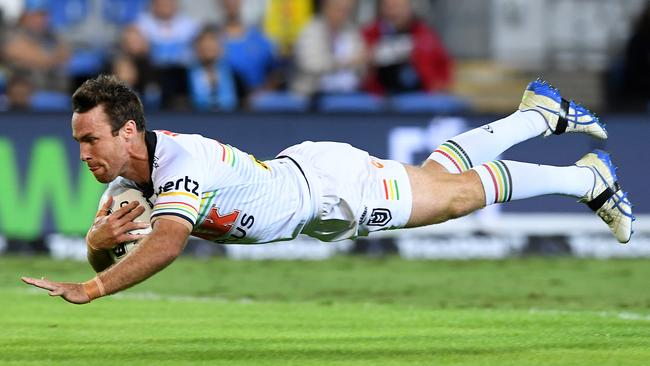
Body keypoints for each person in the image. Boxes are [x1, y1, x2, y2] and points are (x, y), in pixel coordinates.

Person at [22, 75, 633, 304]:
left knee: (454, 197)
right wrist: (97, 244)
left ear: (129, 131)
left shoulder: (185, 161)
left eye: (90, 140)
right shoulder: (131, 179)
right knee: (439, 180)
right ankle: (539, 114)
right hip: (309, 193)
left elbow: (168, 244)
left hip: (328, 190)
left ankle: (586, 178)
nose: (82, 155)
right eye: (78, 142)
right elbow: (115, 246)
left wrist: (94, 284)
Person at [361, 0, 452, 95]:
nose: (394, 12)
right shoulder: (369, 35)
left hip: (420, 99)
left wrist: (439, 85)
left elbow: (444, 66)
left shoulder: (425, 34)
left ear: (409, 8)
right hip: (380, 100)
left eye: (399, 6)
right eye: (389, 7)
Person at [291, 0, 366, 97]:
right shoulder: (311, 29)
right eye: (339, 9)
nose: (343, 14)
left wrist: (363, 61)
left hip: (348, 92)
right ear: (326, 8)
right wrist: (346, 63)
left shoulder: (351, 31)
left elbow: (361, 65)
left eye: (347, 10)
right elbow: (312, 65)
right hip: (313, 95)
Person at [188, 25, 238, 111]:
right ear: (196, 47)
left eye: (212, 40)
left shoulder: (235, 76)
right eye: (203, 41)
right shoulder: (181, 77)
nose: (208, 45)